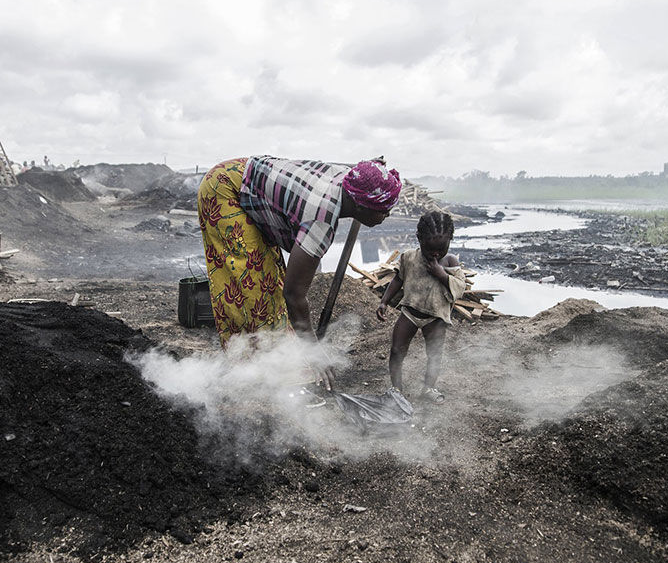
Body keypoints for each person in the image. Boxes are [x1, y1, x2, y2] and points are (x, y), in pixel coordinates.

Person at [197, 155, 402, 387]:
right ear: (360, 205)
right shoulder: (321, 220)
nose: (387, 215)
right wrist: (314, 351)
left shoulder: (352, 179)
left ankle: (276, 357)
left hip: (251, 183)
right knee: (249, 286)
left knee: (270, 279)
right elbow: (293, 294)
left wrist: (375, 171)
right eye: (383, 209)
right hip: (226, 190)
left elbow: (362, 171)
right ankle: (252, 371)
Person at [376, 211, 466, 404]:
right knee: (397, 350)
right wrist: (384, 301)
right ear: (419, 239)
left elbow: (460, 288)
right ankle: (396, 389)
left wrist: (441, 274)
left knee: (434, 354)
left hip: (435, 317)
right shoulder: (409, 258)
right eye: (430, 249)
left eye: (441, 249)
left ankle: (428, 388)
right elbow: (397, 280)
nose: (436, 254)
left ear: (450, 240)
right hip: (409, 311)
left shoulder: (450, 262)